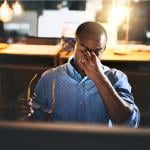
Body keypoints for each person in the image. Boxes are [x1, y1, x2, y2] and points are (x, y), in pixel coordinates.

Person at [25, 21, 140, 127]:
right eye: (83, 49)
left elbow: (129, 124)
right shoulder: (50, 78)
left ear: (104, 49)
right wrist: (27, 113)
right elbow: (37, 120)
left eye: (96, 52)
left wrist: (99, 77)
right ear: (75, 44)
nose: (88, 56)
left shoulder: (117, 78)